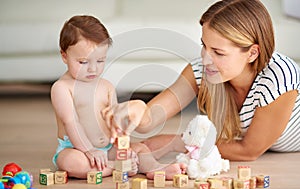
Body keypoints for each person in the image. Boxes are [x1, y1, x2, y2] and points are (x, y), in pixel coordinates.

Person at [103, 0, 300, 162]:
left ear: (252, 53)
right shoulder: (201, 70)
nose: (205, 59)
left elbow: (248, 151)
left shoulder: (279, 78)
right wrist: (139, 109)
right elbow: (152, 119)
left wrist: (178, 142)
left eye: (218, 52)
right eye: (204, 45)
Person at [51, 15, 186, 179]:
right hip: (77, 148)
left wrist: (124, 148)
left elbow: (115, 122)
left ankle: (156, 169)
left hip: (108, 148)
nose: (93, 69)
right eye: (83, 62)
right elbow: (71, 122)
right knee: (70, 162)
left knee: (141, 150)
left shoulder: (106, 86)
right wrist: (89, 150)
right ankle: (115, 167)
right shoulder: (62, 88)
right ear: (64, 56)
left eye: (100, 61)